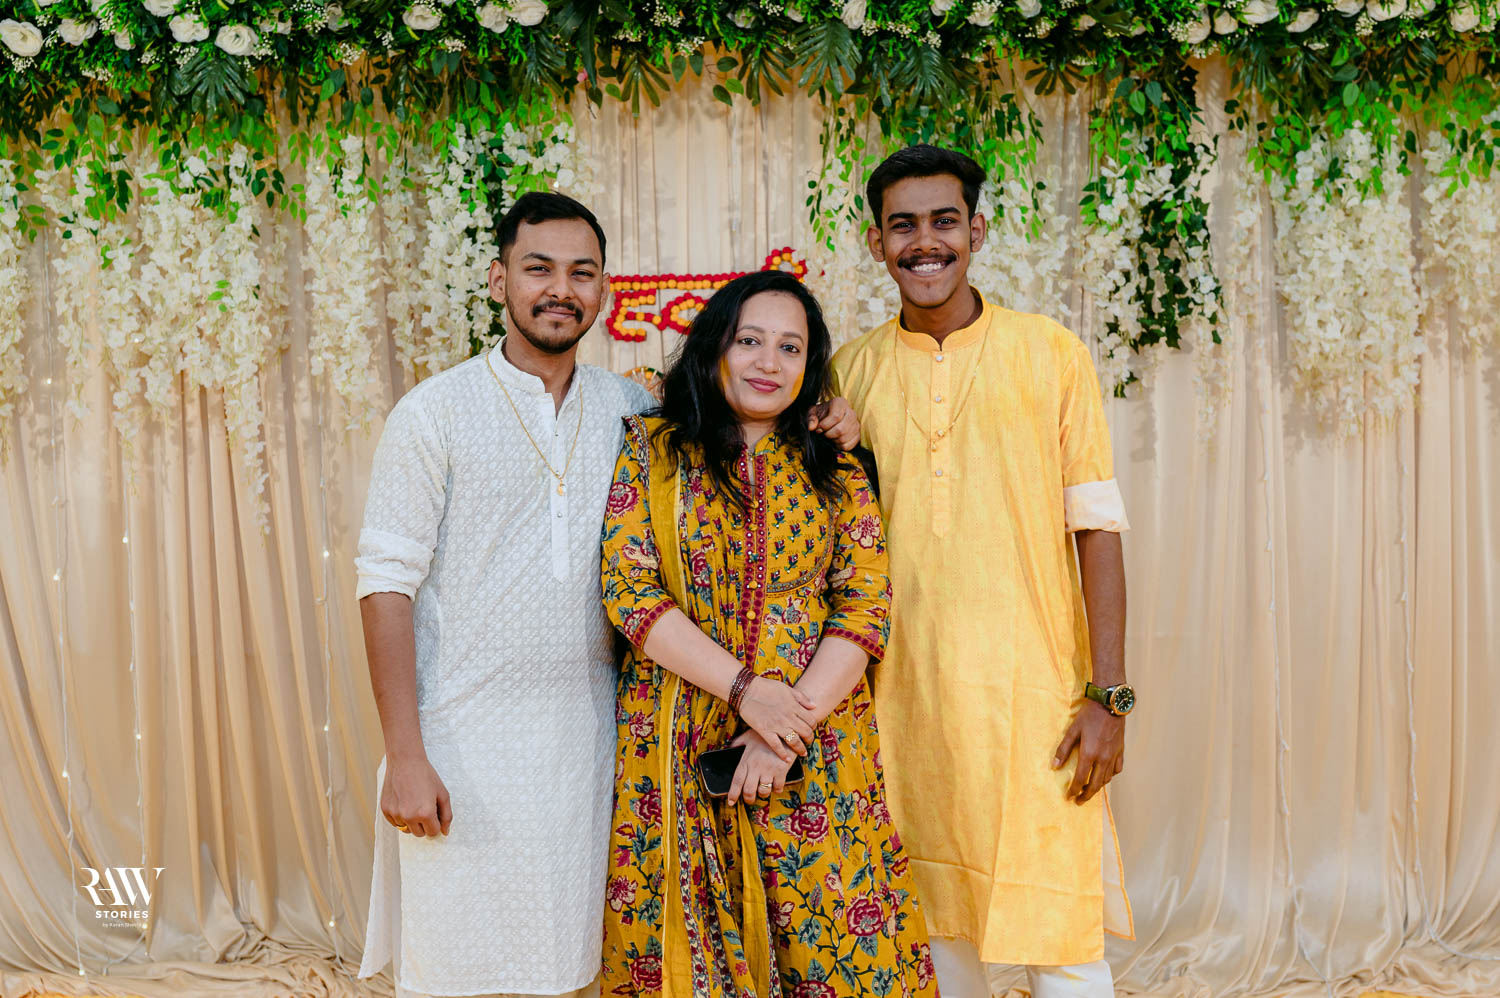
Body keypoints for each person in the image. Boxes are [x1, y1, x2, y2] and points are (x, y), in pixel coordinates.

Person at [353, 193, 861, 998]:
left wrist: (827, 413)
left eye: (581, 272)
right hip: (462, 739)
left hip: (591, 748)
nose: (561, 289)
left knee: (571, 967)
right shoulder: (433, 414)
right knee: (456, 966)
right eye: (539, 269)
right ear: (499, 280)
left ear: (604, 291)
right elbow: (384, 584)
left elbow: (735, 402)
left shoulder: (633, 412)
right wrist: (406, 755)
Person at [830, 145, 1136, 998]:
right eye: (903, 226)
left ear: (978, 231)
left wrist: (1109, 695)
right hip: (903, 704)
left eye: (944, 221)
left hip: (1037, 700)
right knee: (933, 935)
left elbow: (1097, 528)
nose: (924, 243)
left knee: (1061, 935)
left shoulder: (1051, 354)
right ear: (876, 242)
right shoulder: (849, 372)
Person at [598, 270, 939, 998]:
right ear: (714, 346)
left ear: (810, 367)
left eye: (790, 347)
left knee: (832, 942)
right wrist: (747, 693)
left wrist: (784, 727)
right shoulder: (653, 451)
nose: (768, 362)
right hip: (677, 737)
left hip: (814, 737)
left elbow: (864, 606)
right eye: (749, 340)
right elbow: (630, 589)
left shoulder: (836, 466)